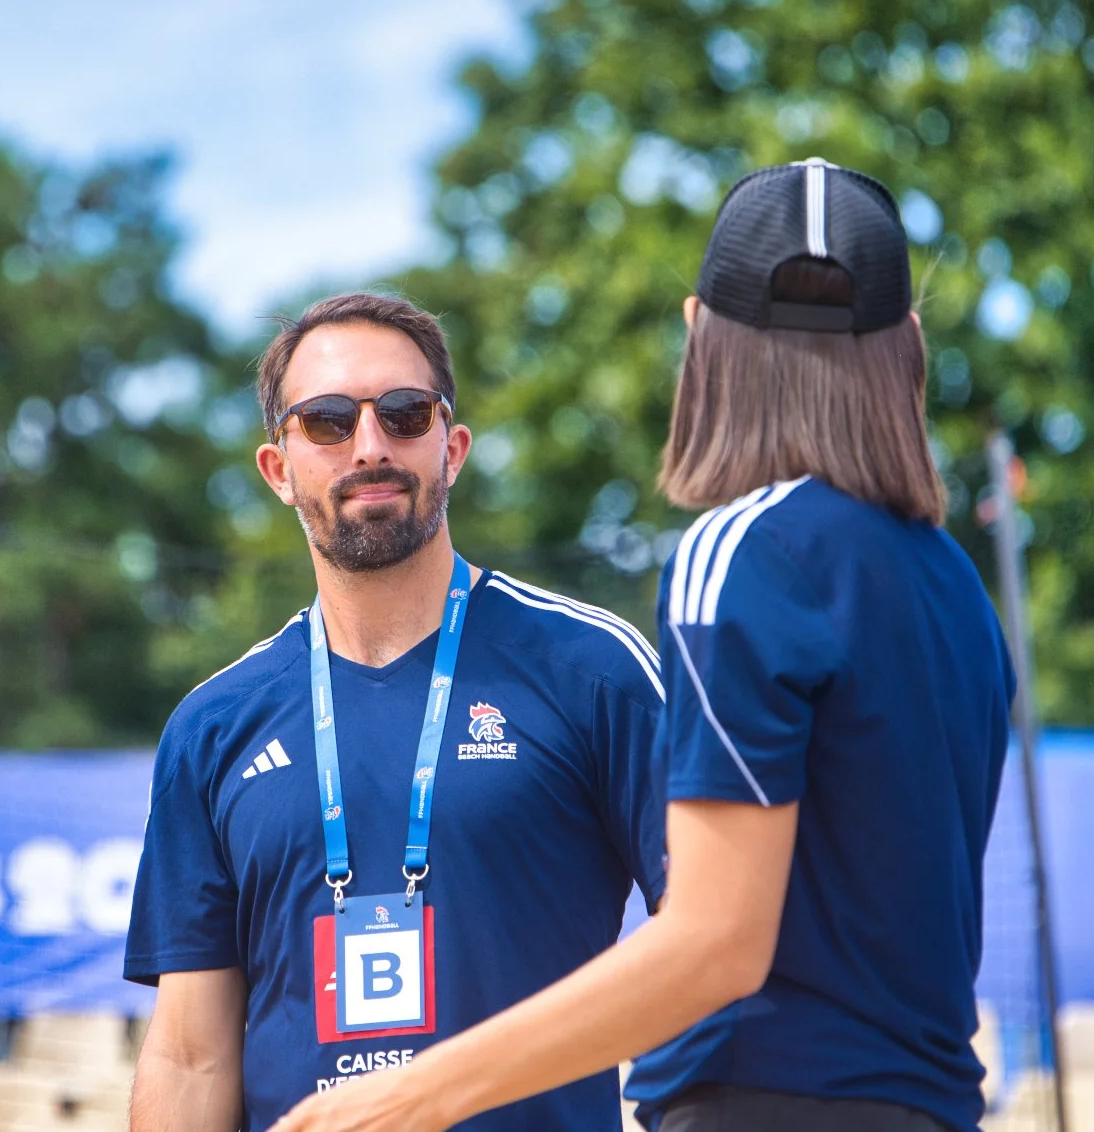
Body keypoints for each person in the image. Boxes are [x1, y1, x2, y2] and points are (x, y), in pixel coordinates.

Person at [270, 159, 1016, 1132]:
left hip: (761, 1102)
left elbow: (714, 941)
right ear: (909, 343)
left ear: (699, 329)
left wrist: (406, 1096)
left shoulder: (742, 551)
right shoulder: (957, 587)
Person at [124, 292, 667, 1131]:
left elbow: (714, 947)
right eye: (329, 422)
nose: (370, 446)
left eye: (405, 414)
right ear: (278, 469)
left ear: (452, 449)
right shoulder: (213, 726)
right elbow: (192, 1054)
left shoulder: (592, 670)